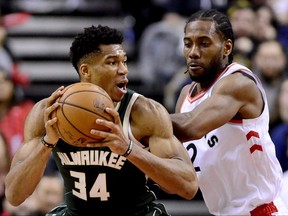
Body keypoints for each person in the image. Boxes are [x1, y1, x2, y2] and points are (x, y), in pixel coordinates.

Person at [4, 25, 198, 216]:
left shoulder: (144, 112)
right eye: (112, 63)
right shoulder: (49, 112)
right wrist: (47, 144)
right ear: (86, 70)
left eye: (124, 61)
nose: (124, 70)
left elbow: (188, 186)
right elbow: (14, 195)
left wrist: (129, 149)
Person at [170, 9, 288, 215]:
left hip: (260, 211)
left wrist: (132, 111)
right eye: (188, 44)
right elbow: (181, 180)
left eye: (204, 43)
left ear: (227, 47)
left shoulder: (238, 82)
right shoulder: (184, 96)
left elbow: (191, 126)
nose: (193, 52)